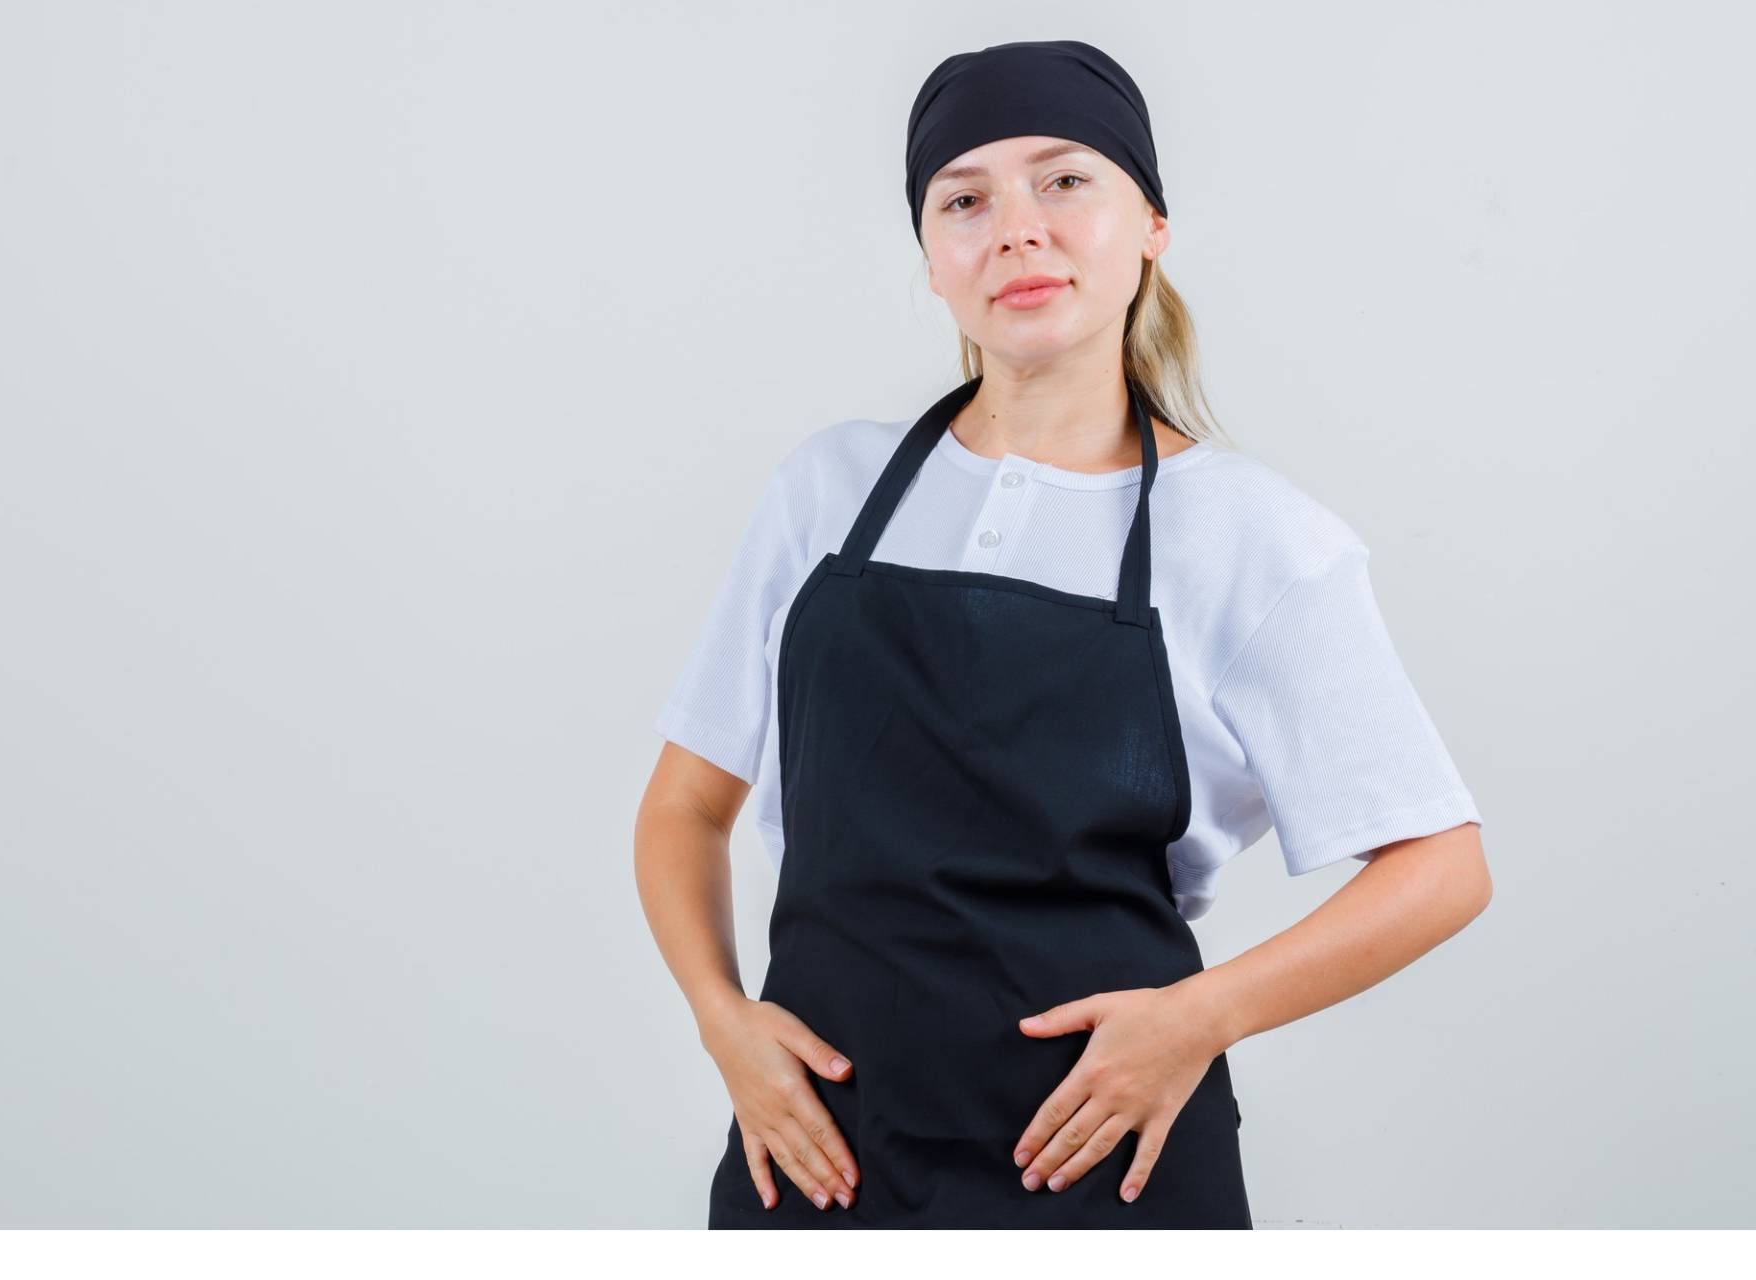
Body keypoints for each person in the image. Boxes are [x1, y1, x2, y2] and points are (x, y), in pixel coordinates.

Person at [632, 38, 1490, 1229]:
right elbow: (684, 803)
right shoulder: (827, 494)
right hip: (819, 1153)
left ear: (1152, 221)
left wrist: (1198, 1017)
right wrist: (724, 1024)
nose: (1017, 228)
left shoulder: (1246, 531)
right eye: (965, 198)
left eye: (1066, 179)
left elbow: (1442, 865)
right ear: (933, 260)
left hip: (1101, 1164)